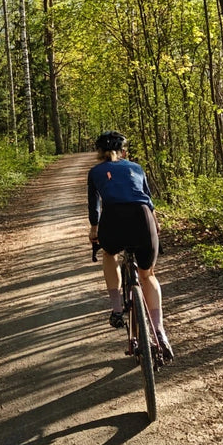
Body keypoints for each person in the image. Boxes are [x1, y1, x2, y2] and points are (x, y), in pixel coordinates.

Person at [87, 131, 173, 362]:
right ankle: (160, 334)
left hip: (113, 221)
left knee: (109, 253)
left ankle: (116, 309)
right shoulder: (136, 168)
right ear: (124, 152)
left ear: (99, 153)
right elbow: (147, 199)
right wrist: (155, 226)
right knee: (148, 275)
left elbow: (94, 207)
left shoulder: (95, 172)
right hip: (143, 219)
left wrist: (94, 230)